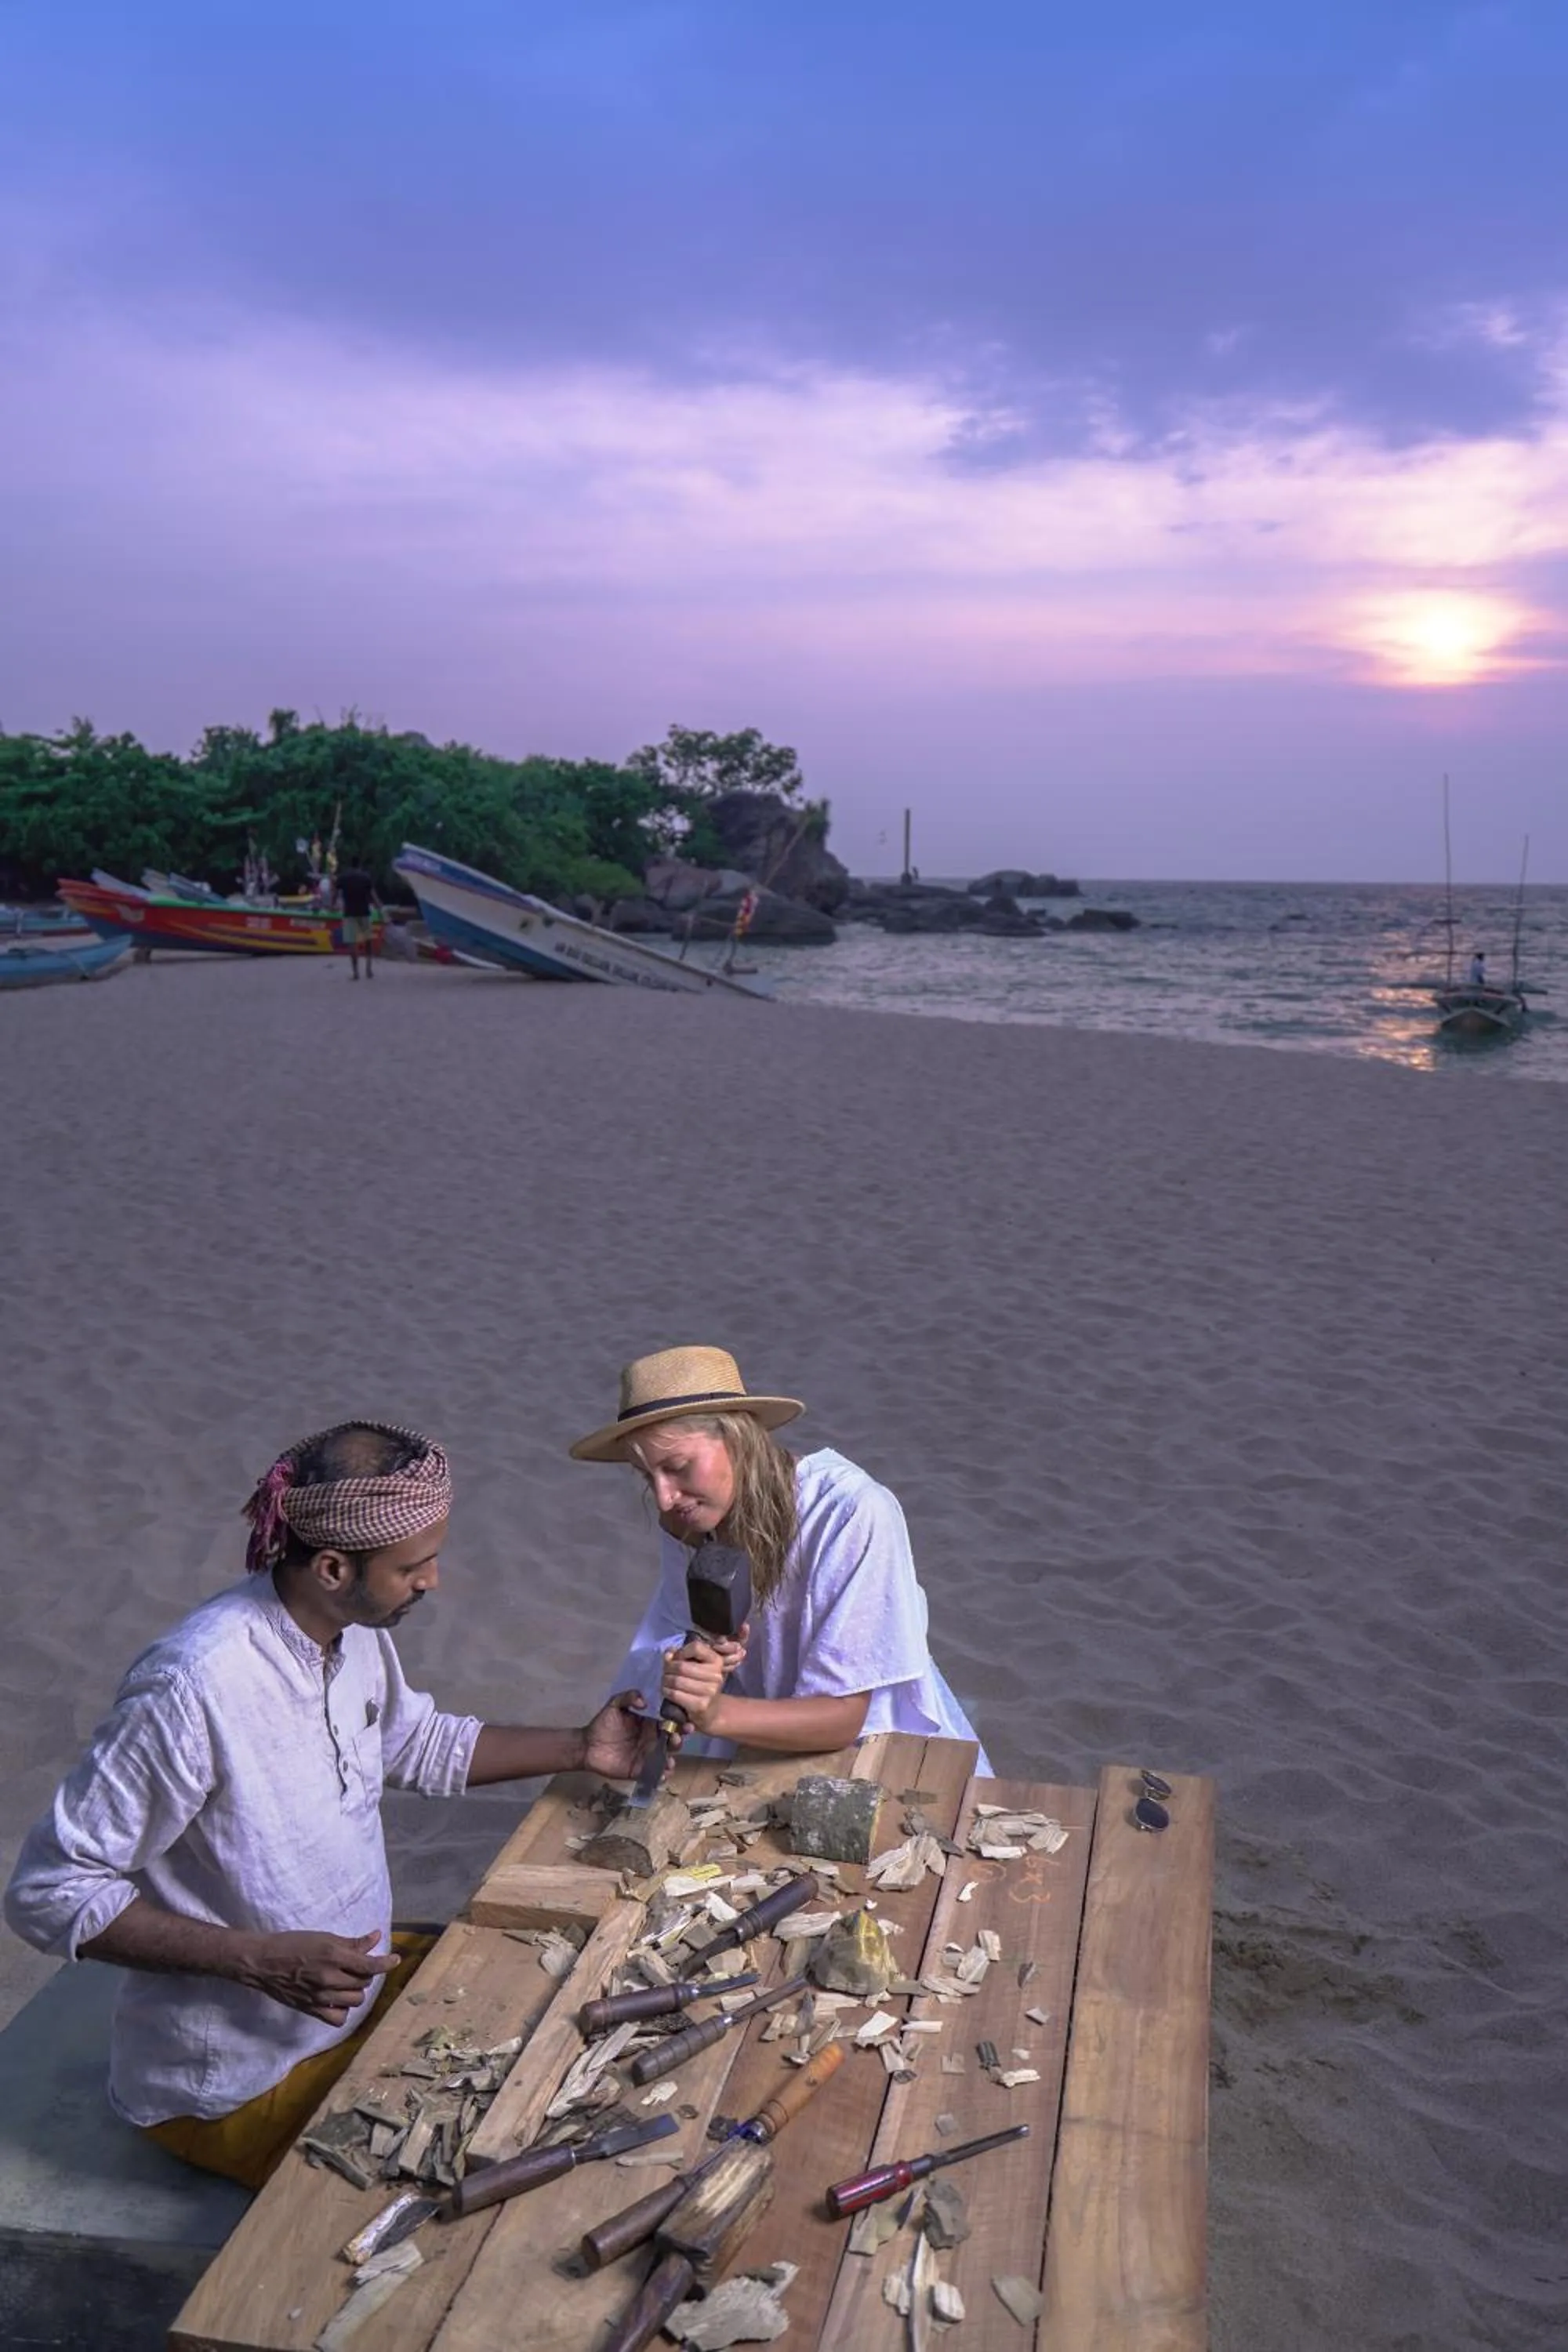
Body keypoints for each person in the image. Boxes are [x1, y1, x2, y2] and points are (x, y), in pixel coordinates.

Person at [3, 1420, 655, 2187]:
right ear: (335, 1566)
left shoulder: (352, 1632)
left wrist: (584, 1749)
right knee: (484, 2163)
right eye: (416, 1565)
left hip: (354, 1992)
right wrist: (258, 1961)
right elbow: (49, 1892)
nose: (432, 1581)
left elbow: (411, 1743)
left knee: (549, 2011)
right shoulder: (191, 1689)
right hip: (237, 2082)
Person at [572, 1347, 990, 1771]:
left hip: (889, 1752)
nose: (664, 1497)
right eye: (648, 1476)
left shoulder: (850, 1512)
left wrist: (716, 1712)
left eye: (678, 1466)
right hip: (762, 1741)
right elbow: (683, 1633)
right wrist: (705, 1661)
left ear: (738, 1438)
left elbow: (844, 1717)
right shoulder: (686, 1518)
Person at [334, 863, 379, 978]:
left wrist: (332, 904)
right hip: (364, 912)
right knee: (368, 940)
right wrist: (379, 906)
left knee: (352, 942)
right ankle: (369, 970)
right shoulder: (365, 877)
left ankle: (356, 972)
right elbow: (372, 894)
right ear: (359, 866)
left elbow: (335, 892)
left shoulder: (343, 878)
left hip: (349, 913)